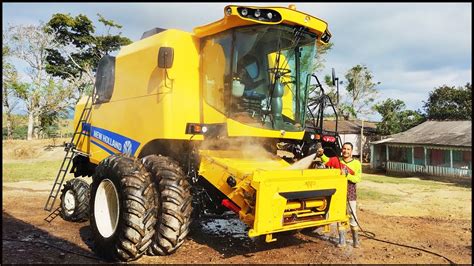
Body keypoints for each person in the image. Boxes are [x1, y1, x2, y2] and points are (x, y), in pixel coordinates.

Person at [316, 142, 362, 248]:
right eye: (344, 148)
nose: (346, 151)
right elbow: (327, 160)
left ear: (352, 151)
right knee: (339, 215)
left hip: (350, 192)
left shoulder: (356, 163)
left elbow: (358, 178)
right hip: (338, 193)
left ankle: (356, 241)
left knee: (352, 216)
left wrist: (347, 175)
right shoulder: (337, 161)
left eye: (348, 149)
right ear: (342, 150)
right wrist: (321, 154)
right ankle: (342, 241)